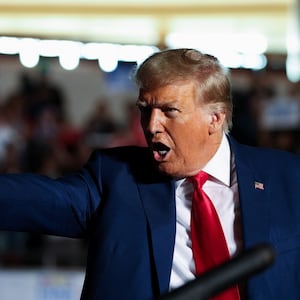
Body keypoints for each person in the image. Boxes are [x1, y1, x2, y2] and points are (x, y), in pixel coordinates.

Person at [0, 48, 299, 300]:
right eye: (145, 109)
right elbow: (34, 200)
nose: (152, 125)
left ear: (215, 118)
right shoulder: (116, 178)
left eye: (169, 111)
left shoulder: (287, 178)